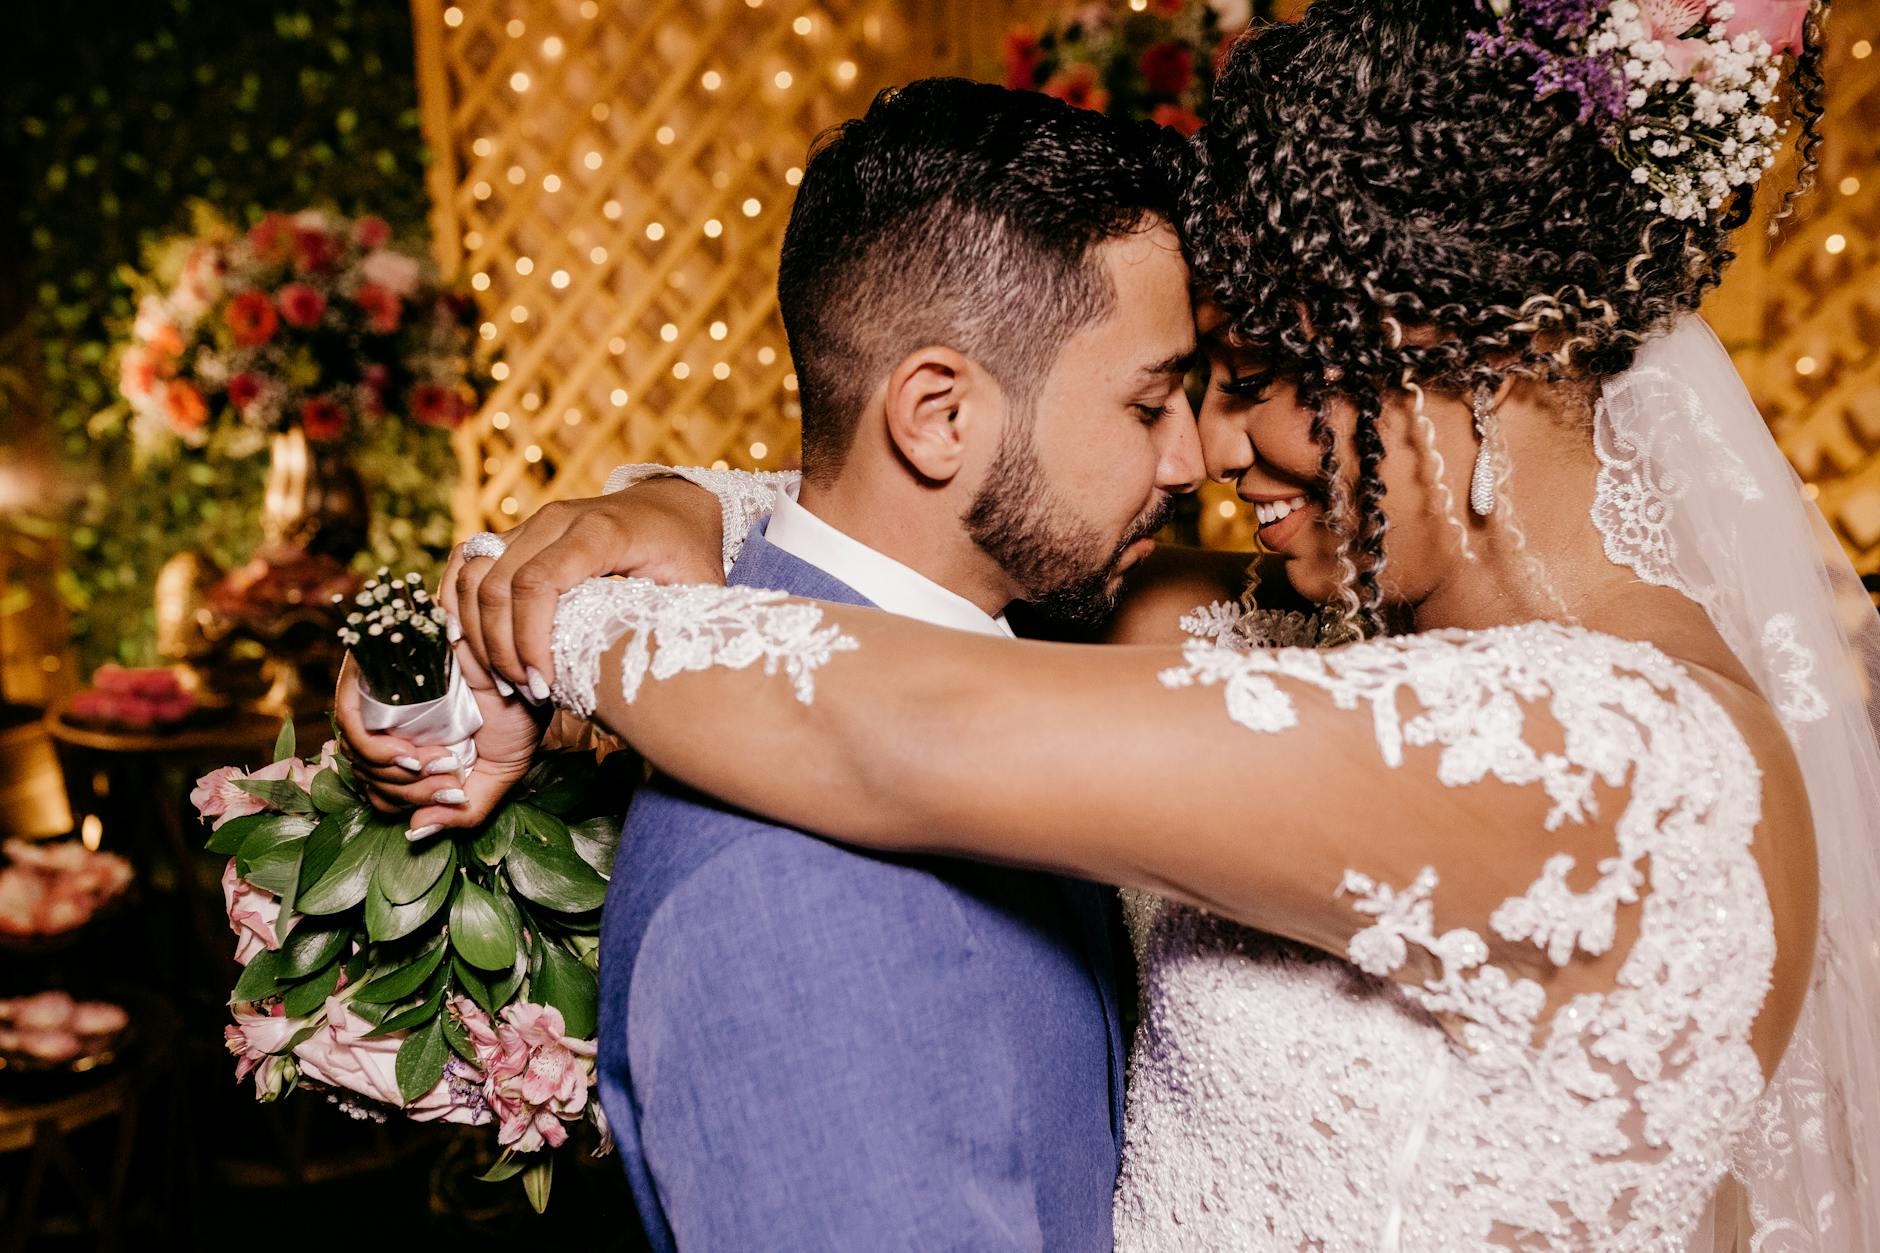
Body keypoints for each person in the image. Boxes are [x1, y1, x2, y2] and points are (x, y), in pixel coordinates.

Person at [372, 2, 1880, 1249]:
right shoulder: (1258, 636)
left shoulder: (1617, 758)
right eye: (1172, 395)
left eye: (1249, 374)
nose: (1211, 452)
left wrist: (552, 627)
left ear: (1450, 356)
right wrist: (676, 509)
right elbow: (974, 513)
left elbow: (899, 724)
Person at [343, 78, 1222, 1249]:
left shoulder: (1015, 638)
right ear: (937, 416)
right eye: (1150, 401)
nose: (1195, 455)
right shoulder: (783, 893)